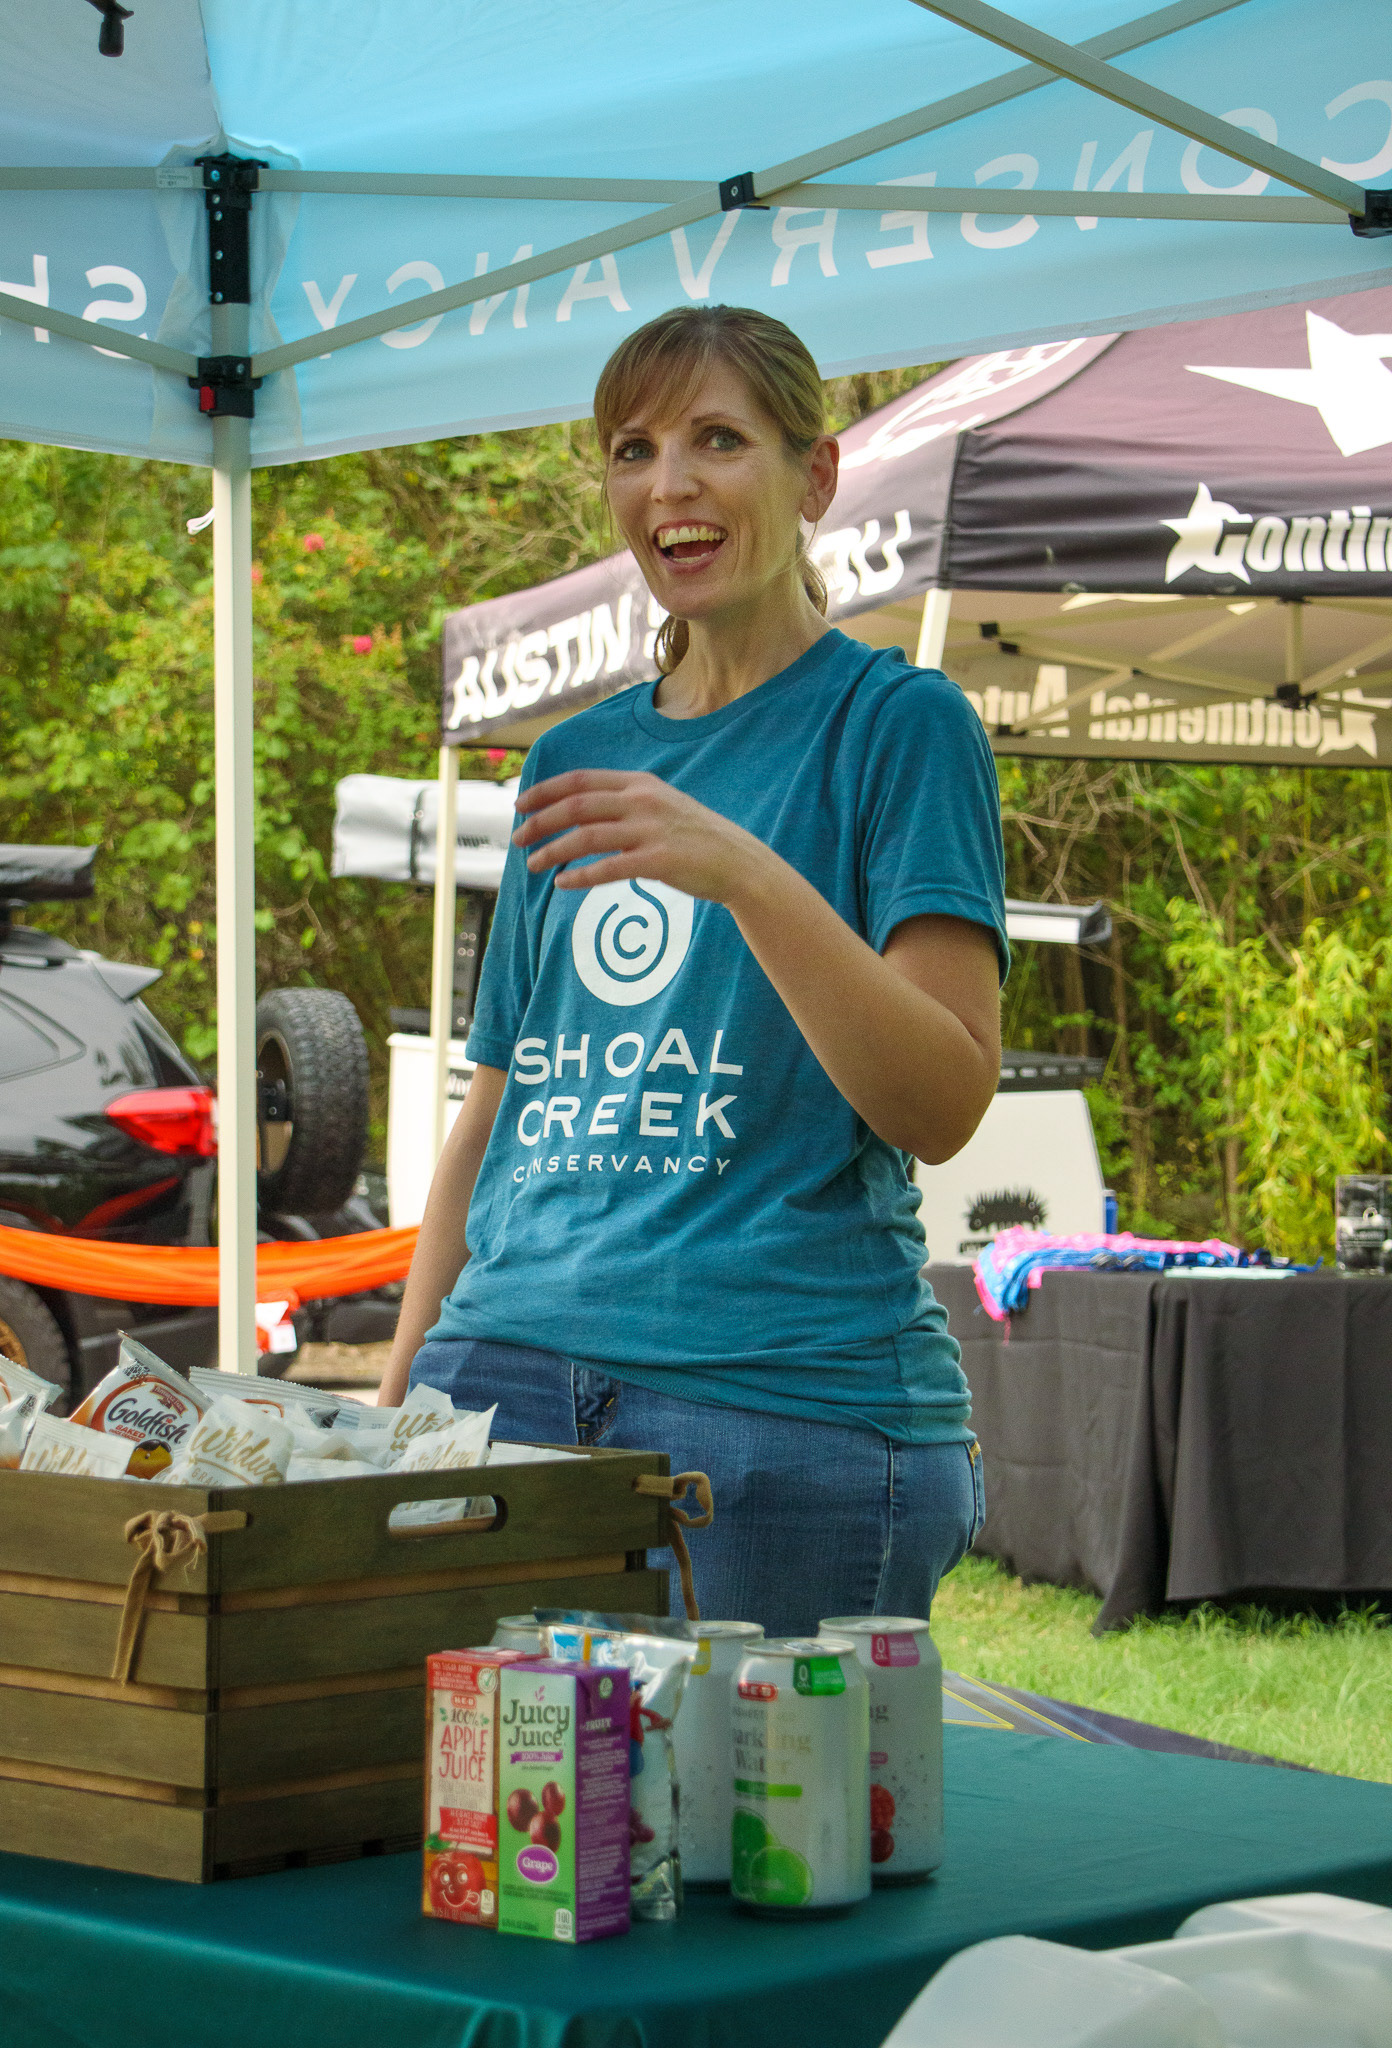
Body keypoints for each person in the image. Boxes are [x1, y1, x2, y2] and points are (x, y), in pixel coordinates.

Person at [379, 304, 1006, 1636]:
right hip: (497, 1383)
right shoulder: (570, 759)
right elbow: (496, 1107)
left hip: (779, 1412)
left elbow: (943, 1102)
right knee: (475, 1784)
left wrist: (747, 874)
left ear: (814, 475)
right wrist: (398, 1403)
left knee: (751, 1789)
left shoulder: (898, 726)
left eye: (718, 439)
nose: (670, 483)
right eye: (634, 448)